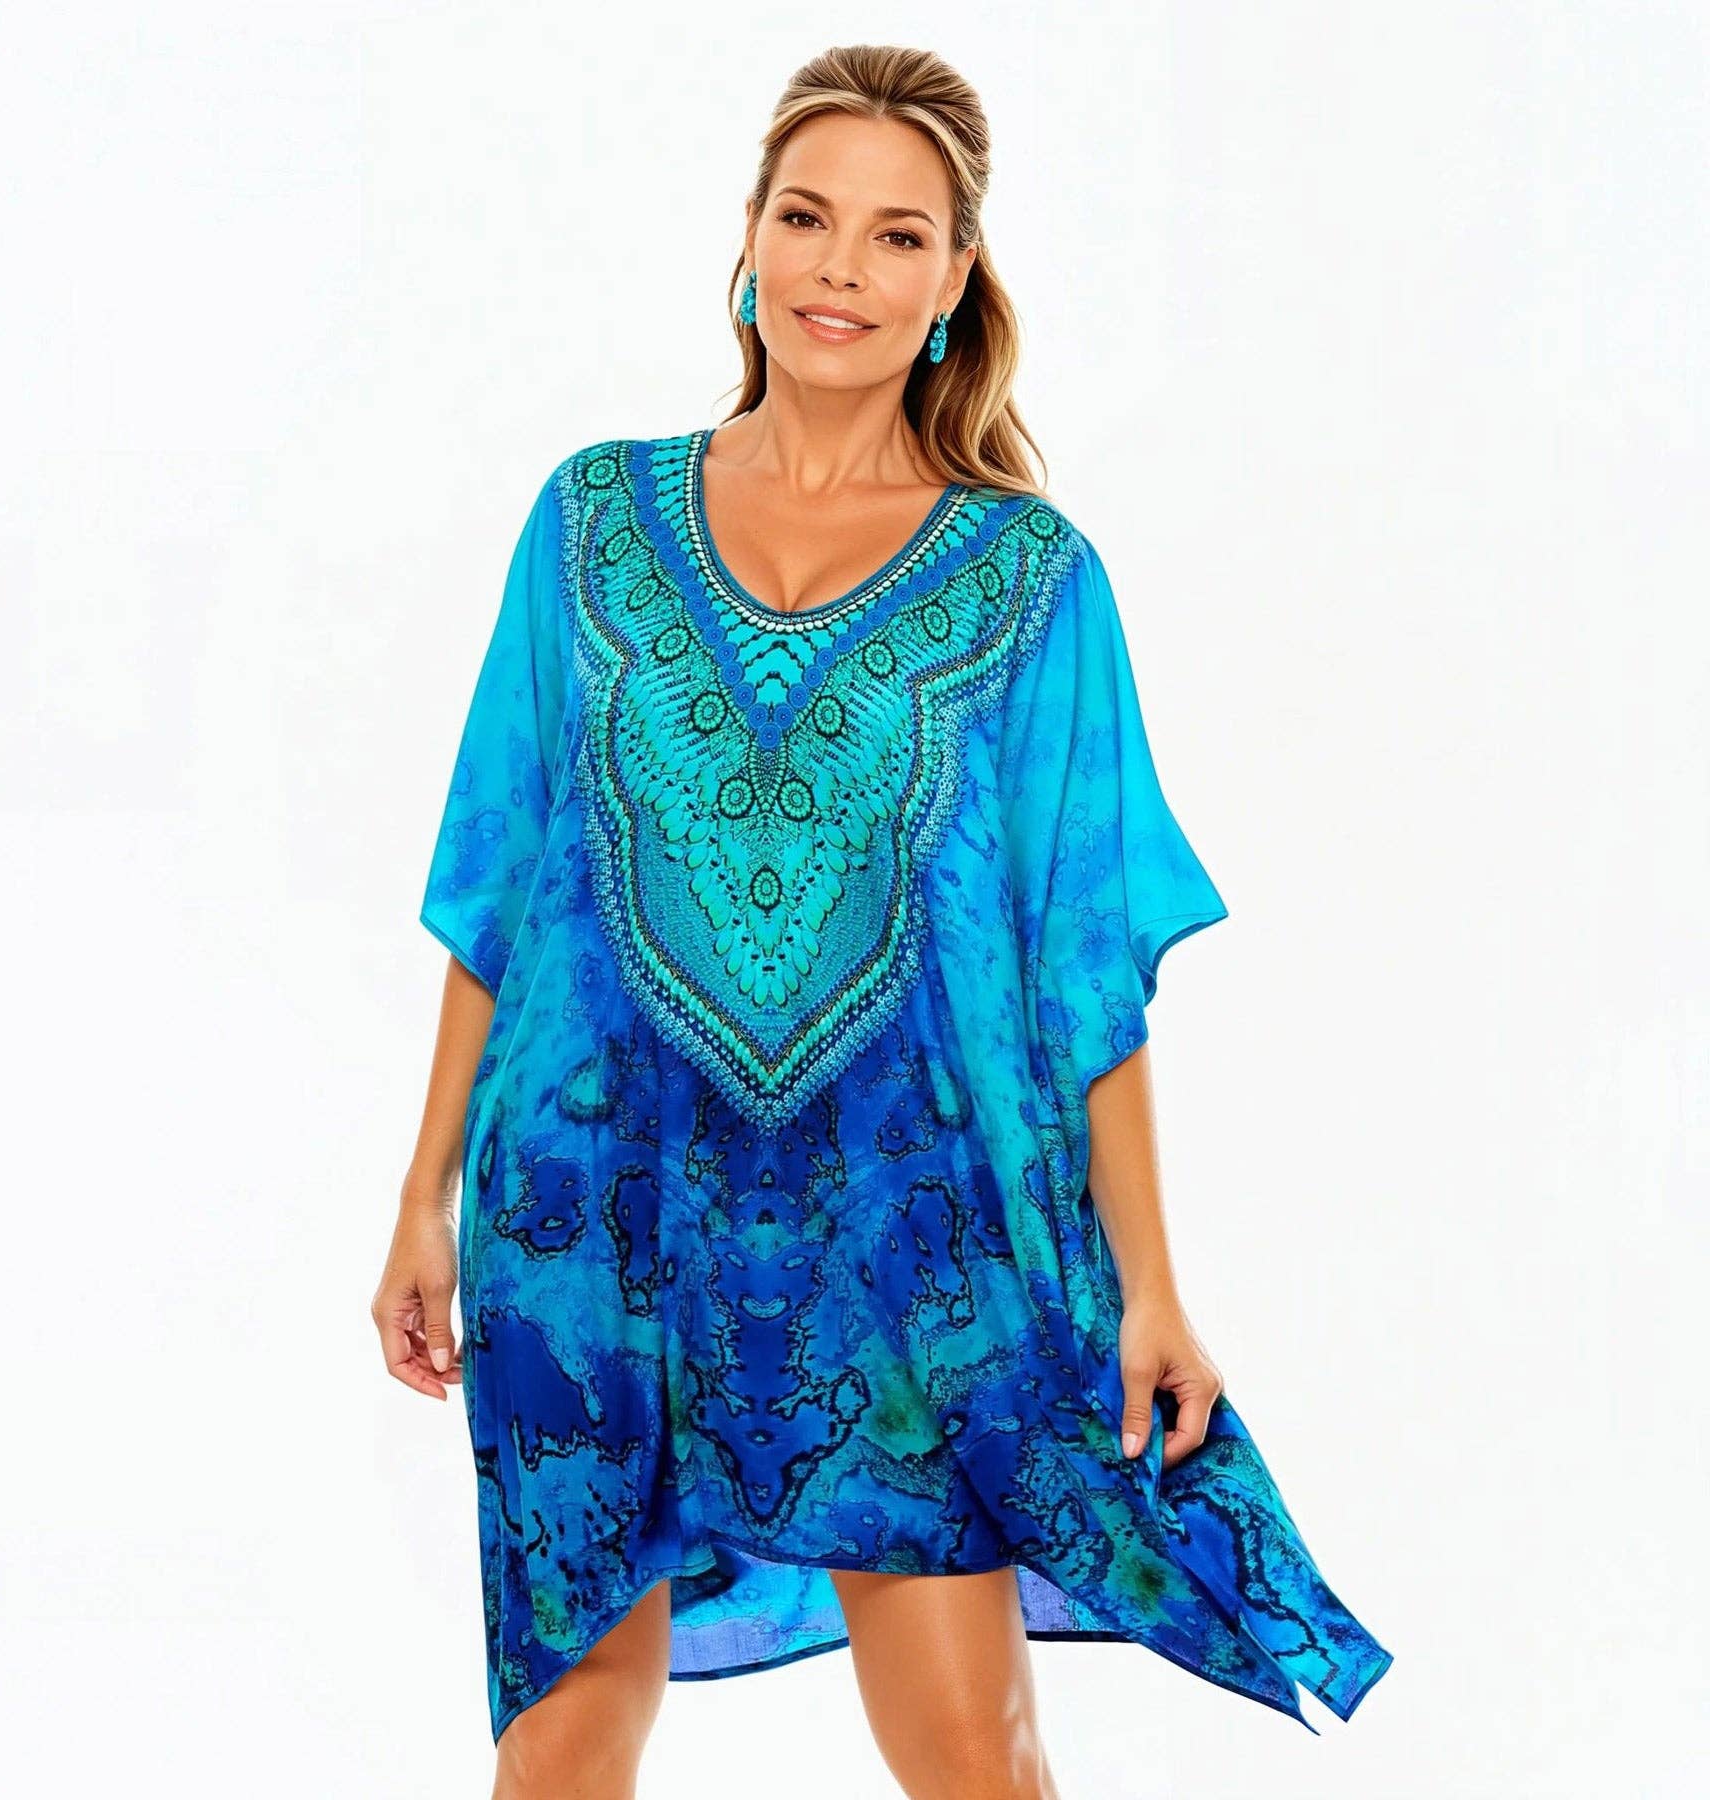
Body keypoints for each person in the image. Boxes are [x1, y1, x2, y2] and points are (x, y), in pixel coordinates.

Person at [373, 43, 1393, 1799]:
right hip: (587, 1209)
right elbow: (503, 878)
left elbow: (1080, 969)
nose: (841, 266)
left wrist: (1153, 1288)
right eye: (807, 217)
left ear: (952, 282)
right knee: (559, 1743)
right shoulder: (590, 519)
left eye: (897, 235)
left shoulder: (1028, 578)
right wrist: (422, 1194)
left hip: (906, 1238)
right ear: (750, 243)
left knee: (976, 1754)